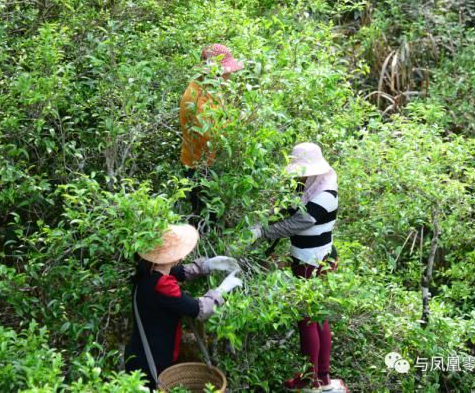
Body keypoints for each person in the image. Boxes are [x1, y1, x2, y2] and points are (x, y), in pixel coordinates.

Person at [249, 143, 338, 392]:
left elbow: (297, 223)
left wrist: (261, 232)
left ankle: (312, 378)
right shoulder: (311, 183)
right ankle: (321, 376)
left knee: (308, 319)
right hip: (314, 257)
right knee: (318, 317)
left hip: (313, 261)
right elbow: (286, 205)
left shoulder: (324, 194)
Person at [125, 224, 243, 389]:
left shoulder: (148, 271)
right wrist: (221, 290)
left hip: (138, 355)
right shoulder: (162, 284)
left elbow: (180, 272)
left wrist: (208, 265)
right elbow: (198, 310)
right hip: (151, 361)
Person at [180, 44, 243, 218]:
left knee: (215, 210)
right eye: (226, 72)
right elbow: (212, 136)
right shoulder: (195, 96)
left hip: (210, 161)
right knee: (205, 215)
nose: (229, 76)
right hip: (198, 166)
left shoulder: (211, 88)